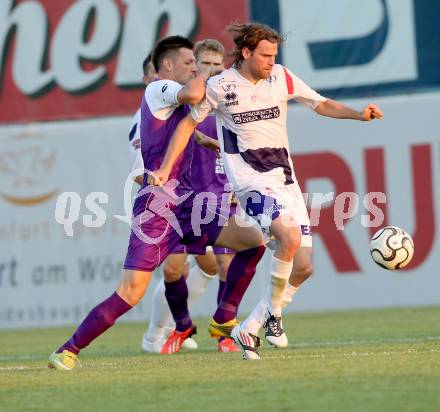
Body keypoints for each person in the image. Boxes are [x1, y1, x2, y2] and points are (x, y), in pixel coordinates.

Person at [149, 23, 383, 360]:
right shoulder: (221, 85)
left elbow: (319, 103)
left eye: (274, 55)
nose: (272, 61)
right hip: (251, 184)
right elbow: (188, 123)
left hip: (286, 182)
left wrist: (359, 115)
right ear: (245, 53)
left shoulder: (282, 77)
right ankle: (273, 316)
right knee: (286, 239)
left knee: (303, 267)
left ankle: (251, 326)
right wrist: (164, 167)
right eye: (265, 55)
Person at [48, 35, 265, 370]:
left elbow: (182, 127)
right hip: (158, 207)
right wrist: (214, 74)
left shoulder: (174, 103)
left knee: (253, 241)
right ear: (168, 66)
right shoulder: (158, 88)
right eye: (190, 63)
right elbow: (194, 93)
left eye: (198, 64)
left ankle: (223, 321)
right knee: (130, 293)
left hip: (190, 204)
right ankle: (69, 349)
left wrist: (207, 141)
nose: (196, 69)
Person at [138, 40, 239, 354]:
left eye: (217, 66)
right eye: (205, 65)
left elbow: (241, 149)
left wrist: (238, 181)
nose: (211, 71)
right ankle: (182, 326)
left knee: (225, 265)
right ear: (194, 67)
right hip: (181, 199)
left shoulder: (227, 104)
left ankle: (224, 333)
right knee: (173, 269)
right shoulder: (181, 104)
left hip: (219, 195)